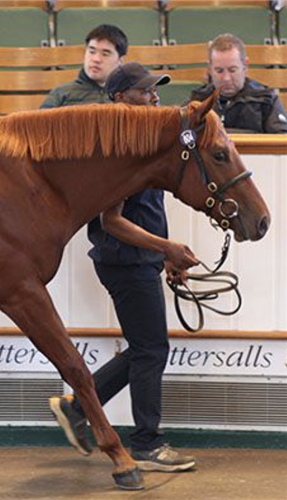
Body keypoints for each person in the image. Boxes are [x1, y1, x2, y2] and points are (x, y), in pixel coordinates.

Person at [45, 58, 201, 472]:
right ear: (119, 98)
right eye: (146, 92)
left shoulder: (138, 147)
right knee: (152, 349)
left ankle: (77, 406)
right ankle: (147, 443)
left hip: (135, 260)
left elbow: (143, 214)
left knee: (145, 348)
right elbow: (110, 221)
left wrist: (162, 255)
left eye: (155, 91)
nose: (154, 98)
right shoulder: (117, 153)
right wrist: (166, 248)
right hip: (125, 261)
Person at [190, 33, 287, 134]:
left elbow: (282, 142)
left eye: (232, 70)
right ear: (210, 69)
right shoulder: (198, 101)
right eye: (219, 71)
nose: (226, 78)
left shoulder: (266, 100)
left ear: (245, 65)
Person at [40, 24, 127, 109]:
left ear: (120, 61)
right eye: (92, 52)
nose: (96, 59)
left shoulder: (128, 98)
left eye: (105, 54)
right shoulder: (61, 93)